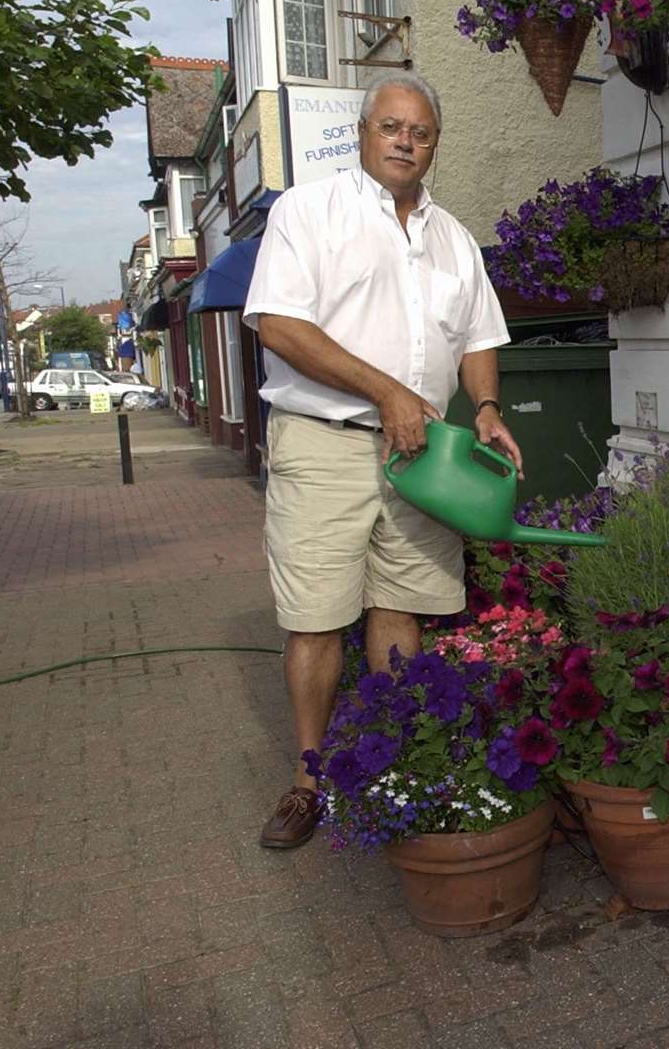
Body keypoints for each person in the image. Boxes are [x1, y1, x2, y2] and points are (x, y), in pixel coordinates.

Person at [244, 72, 523, 848]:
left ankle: (394, 758)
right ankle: (308, 779)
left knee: (401, 606)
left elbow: (478, 340)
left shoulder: (453, 239)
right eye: (392, 127)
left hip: (423, 457)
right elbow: (278, 325)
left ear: (435, 144)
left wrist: (489, 408)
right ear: (365, 132)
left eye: (422, 132)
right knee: (316, 622)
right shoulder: (310, 211)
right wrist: (388, 392)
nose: (406, 141)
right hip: (324, 443)